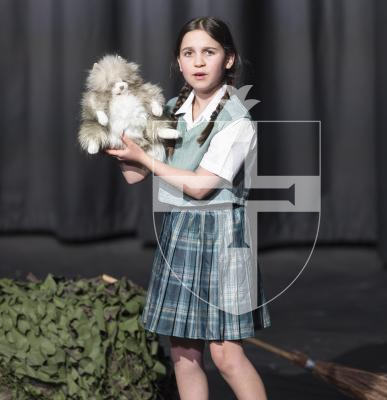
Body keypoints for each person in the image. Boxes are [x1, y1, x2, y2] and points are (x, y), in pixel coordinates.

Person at [105, 16, 271, 400]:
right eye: (188, 53)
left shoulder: (237, 119)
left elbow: (200, 186)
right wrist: (119, 139)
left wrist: (145, 160)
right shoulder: (171, 110)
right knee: (183, 354)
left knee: (226, 355)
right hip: (180, 233)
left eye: (208, 52)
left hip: (223, 237)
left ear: (228, 59)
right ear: (178, 62)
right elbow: (135, 176)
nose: (198, 62)